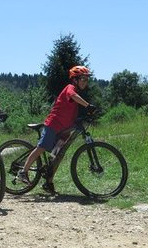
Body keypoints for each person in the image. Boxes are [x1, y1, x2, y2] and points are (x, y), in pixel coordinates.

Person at [16, 65, 96, 193]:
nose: (85, 82)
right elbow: (73, 96)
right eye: (83, 79)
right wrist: (88, 106)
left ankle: (48, 182)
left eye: (87, 79)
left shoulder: (78, 92)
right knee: (41, 147)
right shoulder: (70, 88)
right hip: (53, 125)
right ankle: (23, 172)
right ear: (75, 79)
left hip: (63, 129)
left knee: (57, 154)